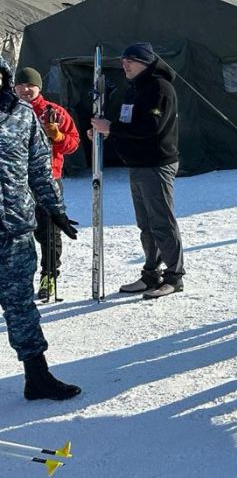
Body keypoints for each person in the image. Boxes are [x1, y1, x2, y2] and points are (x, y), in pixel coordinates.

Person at [0, 57, 81, 400]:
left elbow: (39, 168)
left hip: (15, 229)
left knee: (21, 305)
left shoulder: (22, 115)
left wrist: (56, 210)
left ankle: (37, 376)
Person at [92, 42, 185, 300]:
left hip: (156, 163)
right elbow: (127, 124)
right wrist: (105, 133)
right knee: (145, 223)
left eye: (130, 60)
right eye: (123, 61)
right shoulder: (135, 88)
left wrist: (112, 129)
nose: (125, 65)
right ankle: (150, 273)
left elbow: (150, 128)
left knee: (161, 221)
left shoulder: (159, 88)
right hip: (138, 164)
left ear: (146, 62)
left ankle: (174, 276)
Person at [13, 67, 80, 301]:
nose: (25, 89)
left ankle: (49, 275)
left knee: (48, 231)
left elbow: (73, 144)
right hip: (14, 181)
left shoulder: (53, 112)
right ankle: (16, 280)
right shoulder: (7, 111)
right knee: (15, 232)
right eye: (20, 85)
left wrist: (57, 136)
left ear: (39, 87)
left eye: (30, 85)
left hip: (48, 178)